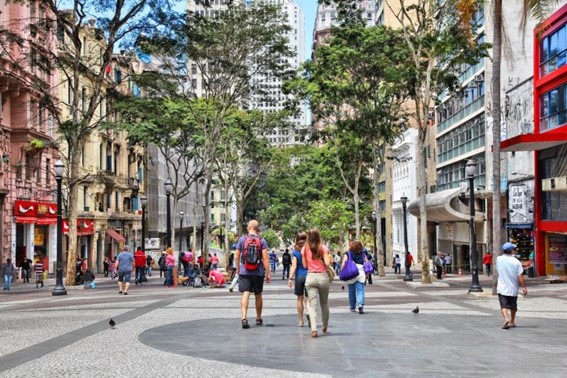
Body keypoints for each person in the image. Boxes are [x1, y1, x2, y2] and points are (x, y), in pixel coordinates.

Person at [234, 220, 271, 329]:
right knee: (258, 294)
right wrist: (268, 272)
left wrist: (238, 268)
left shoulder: (242, 239)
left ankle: (244, 317)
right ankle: (258, 317)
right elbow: (265, 257)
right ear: (257, 228)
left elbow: (236, 256)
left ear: (248, 227)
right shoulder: (262, 240)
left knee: (246, 293)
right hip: (258, 272)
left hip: (245, 271)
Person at [302, 228, 331, 338]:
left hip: (310, 277)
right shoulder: (323, 248)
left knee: (312, 305)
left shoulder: (305, 249)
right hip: (322, 277)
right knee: (324, 303)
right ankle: (324, 326)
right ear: (319, 236)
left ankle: (314, 329)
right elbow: (327, 263)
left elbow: (305, 266)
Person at [497, 242, 528, 329]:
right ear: (511, 251)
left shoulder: (499, 259)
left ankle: (506, 318)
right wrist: (524, 287)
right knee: (513, 306)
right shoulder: (516, 262)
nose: (515, 250)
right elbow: (520, 275)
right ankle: (512, 321)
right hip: (513, 288)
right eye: (514, 249)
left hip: (501, 287)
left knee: (503, 305)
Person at [288, 232, 309, 327]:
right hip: (309, 276)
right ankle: (309, 312)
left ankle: (300, 321)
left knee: (299, 299)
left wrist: (290, 278)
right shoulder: (310, 250)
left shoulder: (296, 252)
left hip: (299, 277)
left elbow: (294, 266)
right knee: (308, 299)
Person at [342, 240, 367, 315]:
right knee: (360, 290)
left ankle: (352, 307)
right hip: (361, 273)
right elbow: (367, 263)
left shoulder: (348, 253)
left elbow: (343, 263)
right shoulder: (363, 254)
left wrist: (342, 272)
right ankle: (360, 305)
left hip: (351, 273)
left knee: (351, 291)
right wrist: (367, 274)